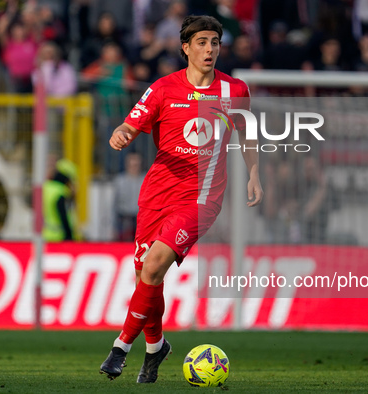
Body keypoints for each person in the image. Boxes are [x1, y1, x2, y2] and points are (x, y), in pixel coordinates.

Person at [99, 15, 263, 383]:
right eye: (202, 42)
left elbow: (246, 135)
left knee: (154, 265)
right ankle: (156, 348)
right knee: (146, 275)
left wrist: (253, 172)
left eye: (215, 43)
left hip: (202, 197)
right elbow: (131, 122)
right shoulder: (162, 89)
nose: (209, 49)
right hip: (157, 192)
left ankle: (120, 347)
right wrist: (122, 133)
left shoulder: (234, 90)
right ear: (185, 47)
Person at [43, 158, 79, 242]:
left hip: (44, 235)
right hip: (58, 238)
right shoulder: (60, 192)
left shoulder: (46, 187)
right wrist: (69, 236)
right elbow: (63, 215)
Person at [113, 152, 145, 242]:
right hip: (125, 219)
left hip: (141, 219)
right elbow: (115, 205)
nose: (134, 167)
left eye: (136, 164)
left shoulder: (145, 179)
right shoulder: (120, 181)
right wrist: (114, 226)